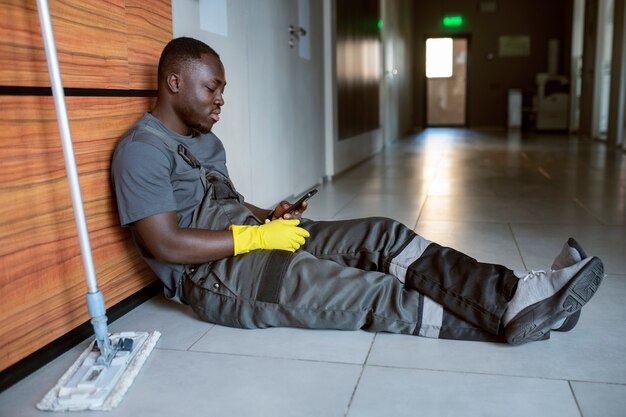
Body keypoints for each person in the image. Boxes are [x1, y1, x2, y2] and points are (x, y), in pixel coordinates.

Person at [111, 37, 604, 346]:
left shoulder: (204, 140)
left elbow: (222, 206)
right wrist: (258, 239)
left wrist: (268, 215)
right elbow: (167, 244)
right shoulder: (141, 150)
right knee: (376, 292)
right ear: (174, 82)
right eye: (211, 88)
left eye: (222, 89)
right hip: (217, 279)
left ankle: (517, 294)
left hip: (250, 238)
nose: (221, 100)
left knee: (383, 236)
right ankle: (527, 312)